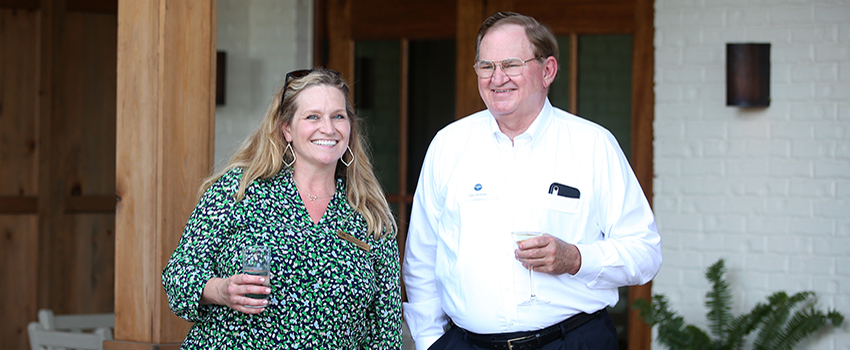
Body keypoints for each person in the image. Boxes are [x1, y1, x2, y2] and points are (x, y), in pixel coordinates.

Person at [402, 12, 662, 350]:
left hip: (572, 341)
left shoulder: (593, 145)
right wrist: (429, 341)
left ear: (548, 70)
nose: (497, 79)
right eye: (486, 66)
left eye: (511, 65)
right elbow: (422, 257)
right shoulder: (448, 145)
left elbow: (645, 252)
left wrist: (576, 258)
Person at [162, 68, 402, 349]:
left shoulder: (368, 213)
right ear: (286, 129)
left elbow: (386, 328)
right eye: (312, 117)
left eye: (338, 116)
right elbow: (178, 276)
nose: (328, 128)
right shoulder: (238, 191)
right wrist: (222, 290)